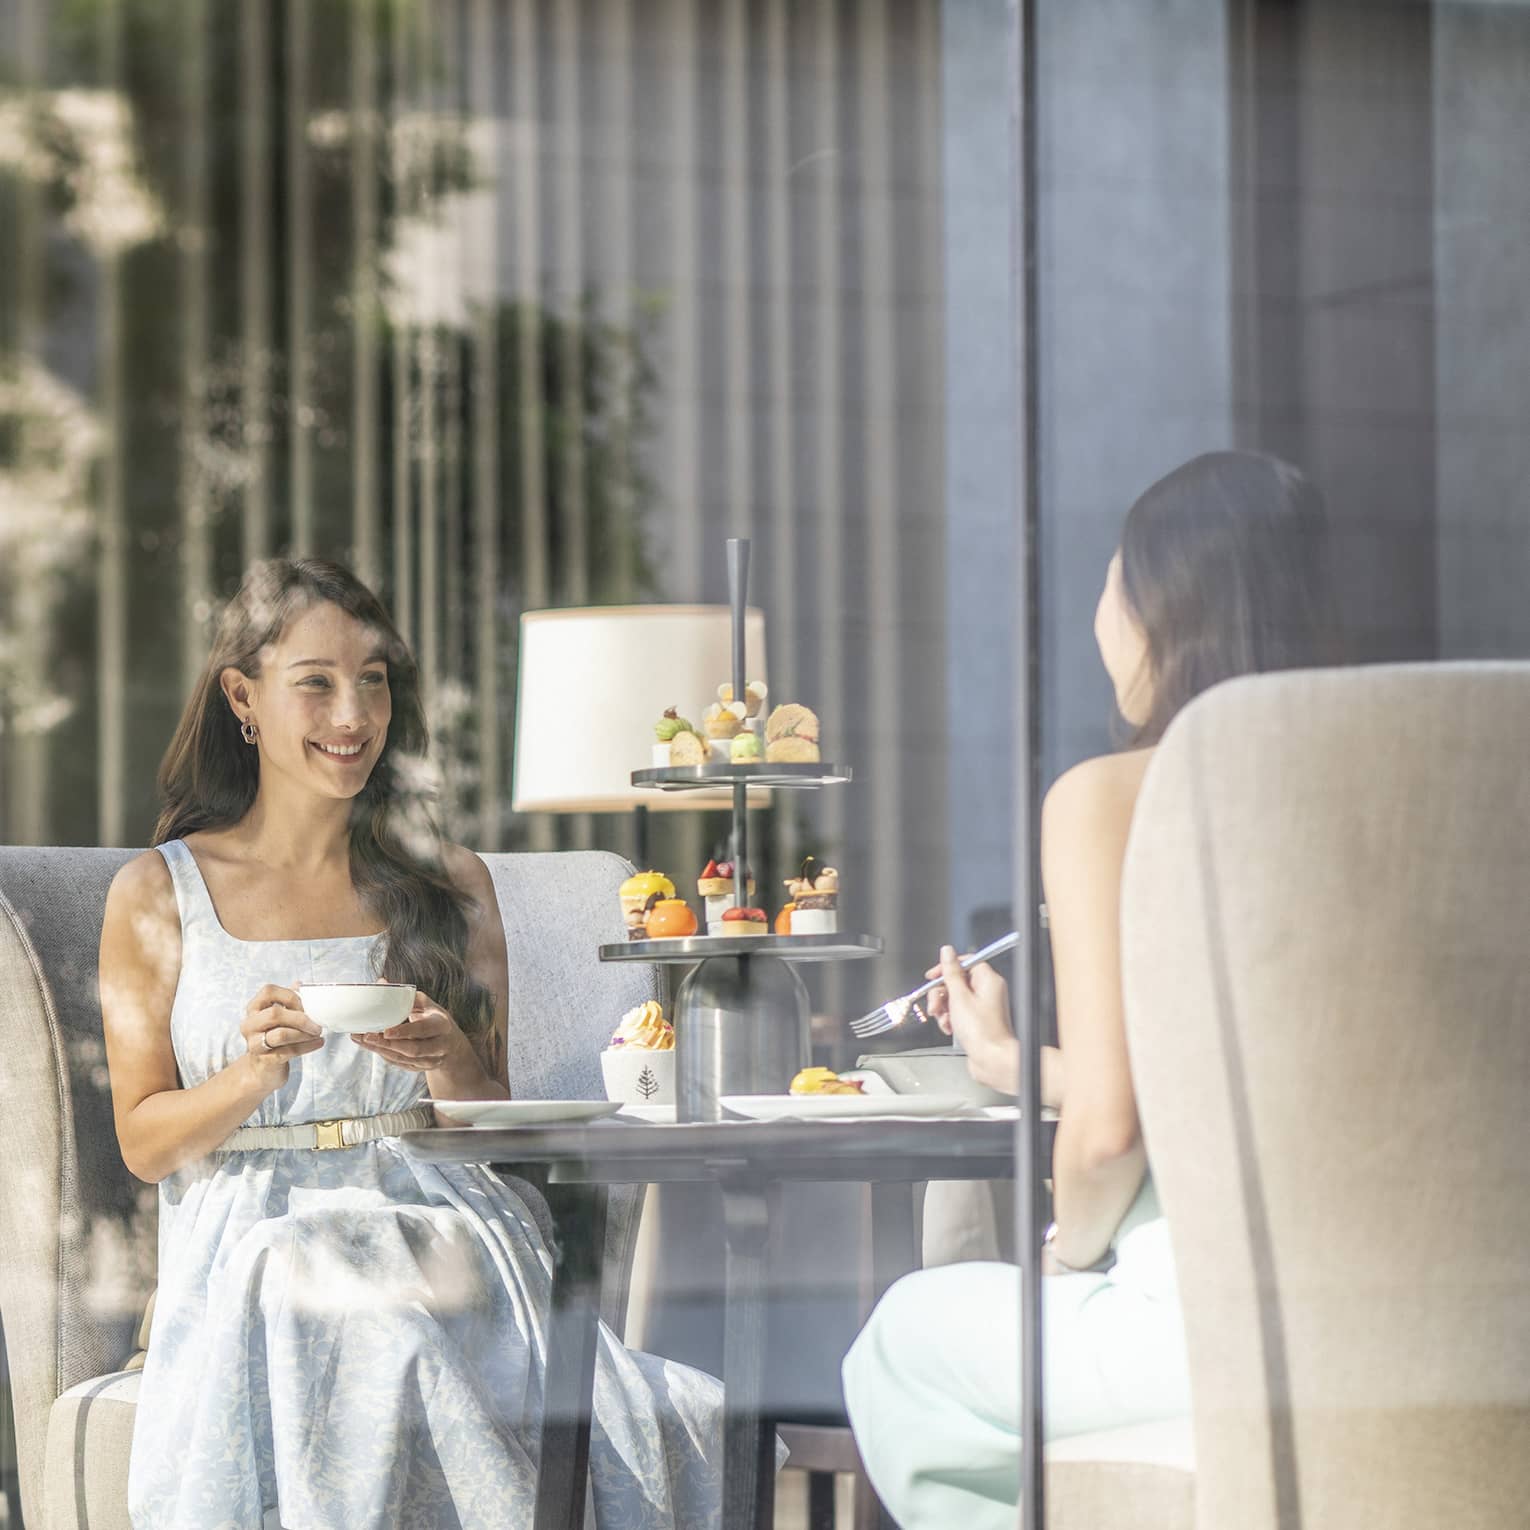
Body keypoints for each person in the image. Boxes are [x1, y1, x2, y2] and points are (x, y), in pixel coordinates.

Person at [101, 558, 738, 1530]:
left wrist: (448, 1058)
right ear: (243, 697)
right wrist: (254, 1074)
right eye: (315, 680)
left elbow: (501, 1126)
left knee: (369, 1311)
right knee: (303, 1274)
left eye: (375, 678)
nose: (352, 713)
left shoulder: (449, 881)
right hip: (251, 1247)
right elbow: (144, 1144)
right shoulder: (157, 892)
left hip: (442, 1223)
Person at [842, 450, 1341, 1529]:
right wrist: (1011, 1064)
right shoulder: (1373, 788)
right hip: (1419, 1315)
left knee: (901, 1338)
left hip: (1207, 1320)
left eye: (1114, 581)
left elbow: (1112, 1134)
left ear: (1159, 610)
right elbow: (1220, 1085)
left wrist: (1070, 1252)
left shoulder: (1112, 795)